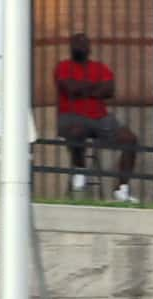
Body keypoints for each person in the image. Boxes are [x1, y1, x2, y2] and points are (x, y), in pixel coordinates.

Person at [54, 31, 139, 202]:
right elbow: (69, 89)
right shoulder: (63, 67)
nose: (80, 45)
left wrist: (81, 88)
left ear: (89, 48)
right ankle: (80, 173)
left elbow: (109, 90)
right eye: (76, 42)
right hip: (71, 117)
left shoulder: (100, 68)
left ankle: (121, 189)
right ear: (70, 47)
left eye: (84, 42)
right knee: (77, 132)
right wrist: (94, 88)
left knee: (129, 139)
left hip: (100, 118)